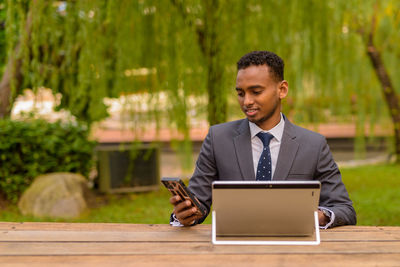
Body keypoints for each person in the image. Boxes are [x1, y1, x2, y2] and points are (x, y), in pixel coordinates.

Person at [169, 50, 356, 228]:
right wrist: (186, 215)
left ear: (282, 90)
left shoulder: (313, 145)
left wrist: (316, 216)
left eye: (256, 92)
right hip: (233, 251)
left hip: (292, 251)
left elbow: (344, 209)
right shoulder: (218, 139)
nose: (246, 101)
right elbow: (198, 202)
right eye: (240, 93)